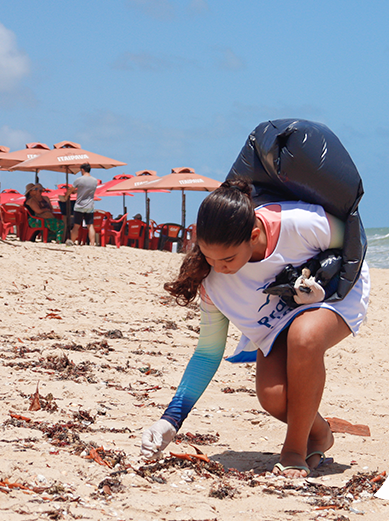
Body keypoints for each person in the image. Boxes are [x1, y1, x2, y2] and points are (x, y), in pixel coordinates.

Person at [141, 179, 370, 479]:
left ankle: (293, 452)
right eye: (209, 257)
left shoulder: (299, 223)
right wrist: (170, 420)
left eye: (227, 259)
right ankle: (320, 434)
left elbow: (354, 241)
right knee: (273, 397)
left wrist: (322, 281)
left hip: (337, 293)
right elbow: (208, 353)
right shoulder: (211, 281)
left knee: (305, 337)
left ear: (254, 234)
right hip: (278, 320)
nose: (218, 267)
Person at [69, 163, 99, 246]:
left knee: (76, 226)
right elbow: (86, 191)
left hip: (79, 205)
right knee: (90, 225)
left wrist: (67, 195)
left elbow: (71, 189)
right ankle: (92, 244)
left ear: (82, 170)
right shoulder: (94, 181)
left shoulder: (79, 180)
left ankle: (72, 241)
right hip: (90, 205)